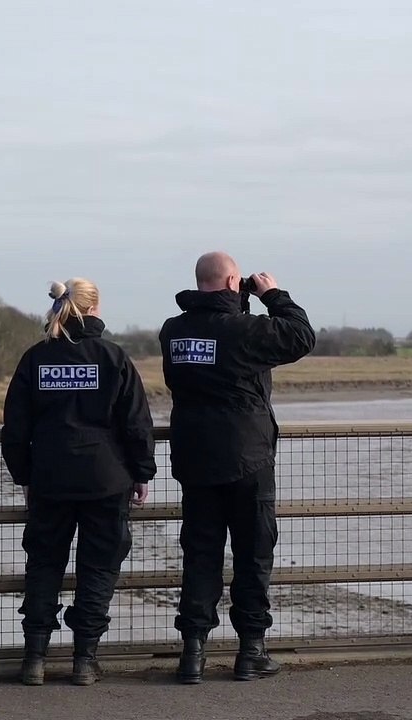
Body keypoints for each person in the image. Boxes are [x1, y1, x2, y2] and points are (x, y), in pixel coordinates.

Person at [158, 251, 315, 684]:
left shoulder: (174, 331)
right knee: (252, 555)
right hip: (249, 459)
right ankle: (251, 651)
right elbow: (301, 337)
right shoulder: (247, 331)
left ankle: (192, 654)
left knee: (201, 556)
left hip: (195, 460)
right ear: (232, 282)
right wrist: (273, 294)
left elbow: (209, 349)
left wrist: (239, 300)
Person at [2, 278, 156, 687]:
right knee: (99, 567)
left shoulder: (36, 358)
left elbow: (15, 428)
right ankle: (84, 659)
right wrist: (142, 472)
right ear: (95, 308)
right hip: (106, 479)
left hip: (50, 478)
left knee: (44, 564)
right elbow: (137, 424)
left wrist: (25, 476)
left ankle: (34, 657)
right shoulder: (113, 357)